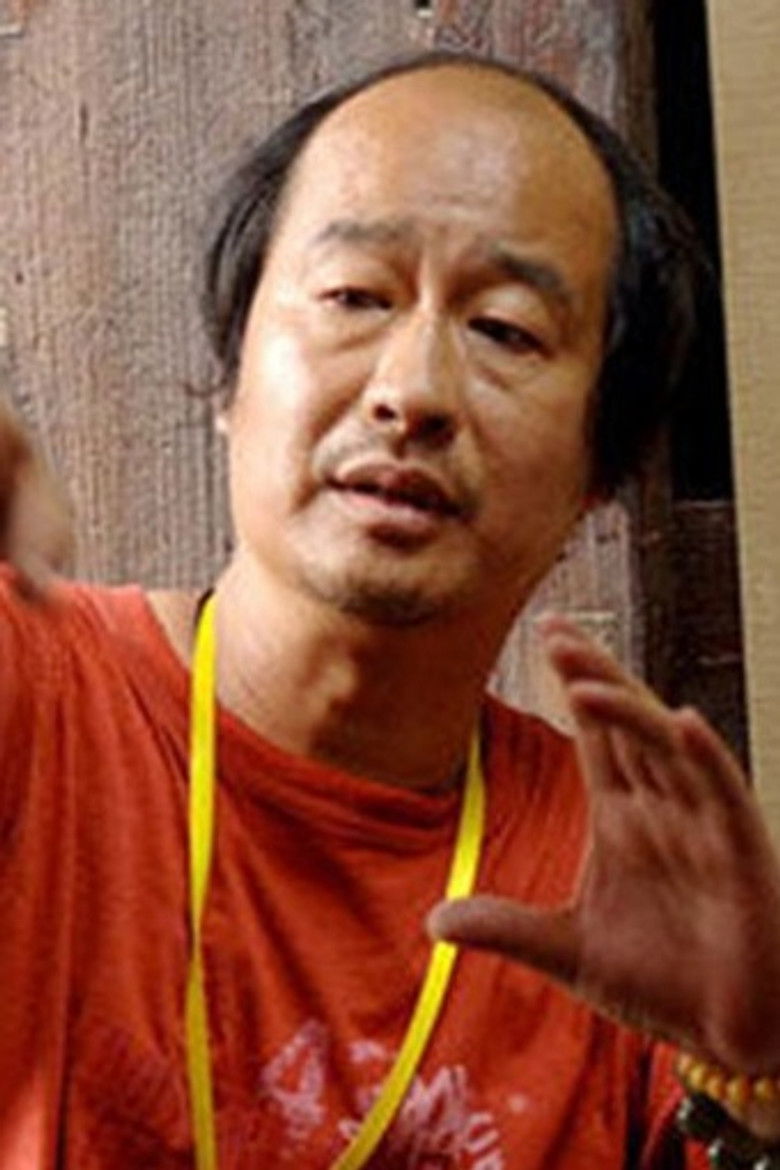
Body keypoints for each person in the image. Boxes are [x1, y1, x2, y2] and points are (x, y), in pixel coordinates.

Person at [2, 49, 780, 1170]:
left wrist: (755, 1079)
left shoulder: (625, 887)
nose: (410, 393)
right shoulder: (34, 697)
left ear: (601, 468)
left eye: (505, 330)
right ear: (233, 374)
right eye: (356, 298)